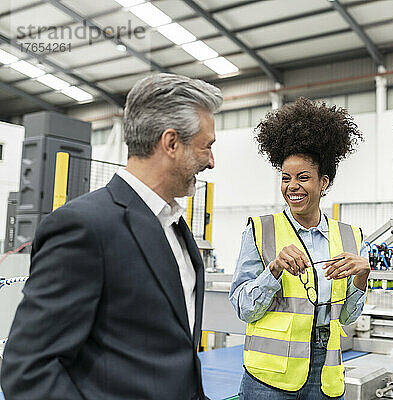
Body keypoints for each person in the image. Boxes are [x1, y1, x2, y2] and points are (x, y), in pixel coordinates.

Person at [0, 73, 222, 400]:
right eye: (207, 147)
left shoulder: (175, 226)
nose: (212, 162)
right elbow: (29, 368)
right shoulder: (84, 226)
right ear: (171, 143)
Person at [229, 97, 370, 399]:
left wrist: (361, 278)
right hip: (268, 377)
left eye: (303, 177)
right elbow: (243, 308)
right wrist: (273, 271)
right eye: (285, 178)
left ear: (324, 182)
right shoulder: (260, 230)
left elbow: (346, 318)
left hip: (326, 373)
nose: (292, 186)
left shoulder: (350, 237)